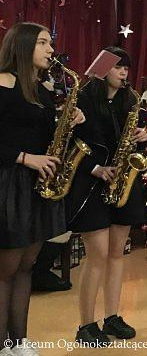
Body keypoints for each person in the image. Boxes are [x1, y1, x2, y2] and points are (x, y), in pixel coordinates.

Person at [0, 22, 84, 356]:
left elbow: (48, 136)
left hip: (37, 185)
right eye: (42, 42)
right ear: (22, 45)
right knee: (6, 269)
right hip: (9, 183)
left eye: (50, 42)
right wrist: (25, 158)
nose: (50, 49)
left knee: (27, 266)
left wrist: (68, 118)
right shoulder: (3, 82)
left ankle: (19, 342)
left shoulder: (42, 90)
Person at [67, 47, 147, 344]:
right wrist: (96, 168)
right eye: (118, 67)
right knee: (98, 255)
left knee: (117, 253)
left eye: (126, 67)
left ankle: (112, 316)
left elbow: (133, 140)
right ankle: (86, 325)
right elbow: (72, 142)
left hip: (122, 182)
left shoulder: (130, 100)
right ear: (102, 69)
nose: (124, 72)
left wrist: (142, 137)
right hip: (91, 183)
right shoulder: (83, 99)